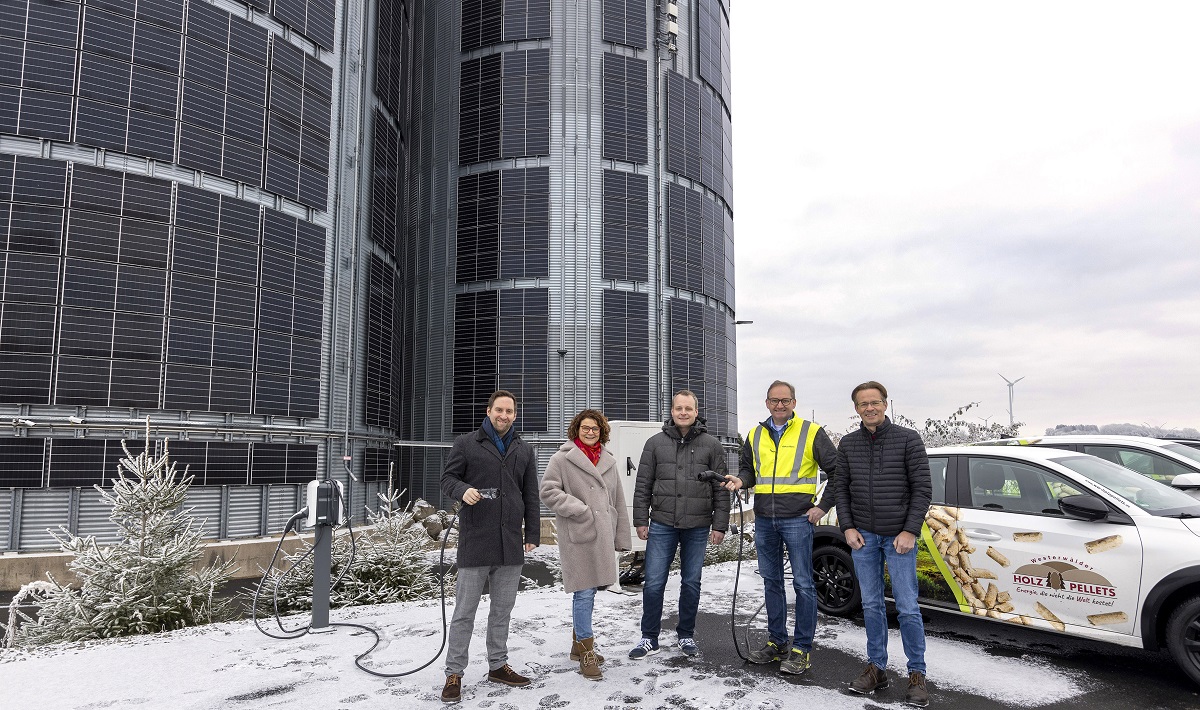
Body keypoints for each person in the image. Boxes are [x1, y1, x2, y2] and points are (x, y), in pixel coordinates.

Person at [722, 380, 837, 675]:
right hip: (764, 519)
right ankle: (777, 643)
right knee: (771, 582)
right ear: (766, 403)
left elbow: (838, 473)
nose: (780, 405)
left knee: (803, 584)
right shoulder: (755, 434)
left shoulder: (811, 432)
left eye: (785, 400)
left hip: (798, 518)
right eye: (774, 400)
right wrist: (740, 480)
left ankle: (802, 649)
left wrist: (822, 507)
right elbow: (748, 469)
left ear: (794, 403)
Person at [832, 381, 932, 706]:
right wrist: (847, 527)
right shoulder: (847, 444)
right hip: (863, 538)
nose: (869, 408)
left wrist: (910, 530)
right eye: (863, 404)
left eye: (875, 402)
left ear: (886, 404)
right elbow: (841, 490)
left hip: (899, 537)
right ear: (856, 409)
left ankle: (917, 673)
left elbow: (922, 489)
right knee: (872, 605)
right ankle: (877, 668)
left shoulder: (908, 440)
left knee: (907, 607)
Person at [440, 390, 541, 704]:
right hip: (476, 542)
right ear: (489, 411)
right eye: (500, 410)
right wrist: (463, 489)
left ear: (514, 414)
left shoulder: (524, 449)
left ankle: (498, 665)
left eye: (510, 411)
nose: (504, 416)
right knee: (464, 613)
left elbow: (531, 495)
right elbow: (447, 478)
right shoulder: (467, 444)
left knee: (502, 611)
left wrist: (533, 533)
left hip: (510, 542)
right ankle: (454, 673)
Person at [629, 390, 731, 659]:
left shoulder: (712, 445)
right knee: (653, 582)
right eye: (678, 408)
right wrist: (640, 520)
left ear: (696, 412)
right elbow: (642, 487)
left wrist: (719, 525)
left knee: (691, 582)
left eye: (688, 408)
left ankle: (686, 635)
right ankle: (649, 637)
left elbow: (721, 489)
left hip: (698, 526)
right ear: (671, 411)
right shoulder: (654, 444)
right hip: (662, 523)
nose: (683, 412)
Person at [539, 409, 632, 681]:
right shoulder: (562, 458)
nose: (590, 432)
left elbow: (617, 500)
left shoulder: (609, 461)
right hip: (578, 533)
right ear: (576, 430)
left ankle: (578, 646)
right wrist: (579, 509)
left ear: (602, 431)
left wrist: (620, 536)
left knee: (590, 591)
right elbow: (547, 490)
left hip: (602, 533)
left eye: (595, 428)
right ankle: (587, 652)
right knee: (584, 592)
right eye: (585, 428)